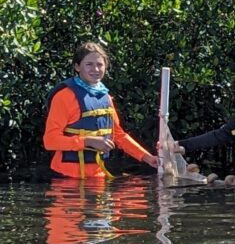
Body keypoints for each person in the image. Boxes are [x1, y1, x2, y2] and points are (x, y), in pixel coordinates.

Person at [42, 42, 158, 180]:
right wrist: (87, 141)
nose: (95, 69)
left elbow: (118, 135)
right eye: (89, 64)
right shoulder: (64, 96)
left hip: (97, 176)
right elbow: (50, 141)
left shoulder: (105, 96)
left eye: (100, 64)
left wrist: (147, 157)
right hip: (67, 177)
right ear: (77, 67)